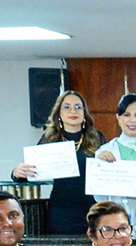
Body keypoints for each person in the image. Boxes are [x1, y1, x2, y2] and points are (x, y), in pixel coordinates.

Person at [11, 90, 105, 234]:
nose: (73, 111)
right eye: (67, 107)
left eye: (78, 107)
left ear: (84, 113)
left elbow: (107, 173)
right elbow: (31, 172)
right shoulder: (50, 139)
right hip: (61, 211)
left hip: (92, 210)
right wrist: (16, 172)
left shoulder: (97, 138)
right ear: (59, 113)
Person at [92, 93, 136, 228]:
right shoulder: (104, 152)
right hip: (117, 221)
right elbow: (98, 197)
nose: (132, 120)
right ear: (118, 118)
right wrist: (98, 168)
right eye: (126, 115)